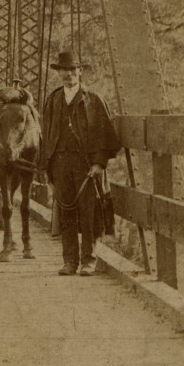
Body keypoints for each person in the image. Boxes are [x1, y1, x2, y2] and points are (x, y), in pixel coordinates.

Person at [40, 51, 121, 276]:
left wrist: (99, 163)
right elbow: (46, 135)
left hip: (86, 167)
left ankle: (88, 260)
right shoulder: (53, 100)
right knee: (66, 213)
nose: (68, 75)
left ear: (80, 72)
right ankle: (69, 261)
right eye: (64, 71)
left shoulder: (93, 99)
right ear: (59, 73)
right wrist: (48, 168)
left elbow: (106, 135)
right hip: (60, 165)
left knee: (89, 214)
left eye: (72, 70)